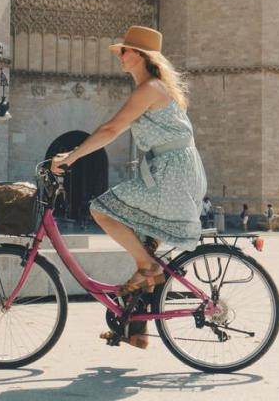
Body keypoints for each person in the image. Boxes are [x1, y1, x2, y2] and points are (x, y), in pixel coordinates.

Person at [50, 26, 206, 350]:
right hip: (171, 171)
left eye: (124, 51)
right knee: (143, 249)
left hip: (171, 174)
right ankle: (136, 332)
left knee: (100, 209)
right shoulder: (151, 88)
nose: (120, 56)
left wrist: (73, 156)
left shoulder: (149, 88)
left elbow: (111, 129)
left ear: (140, 55)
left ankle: (149, 269)